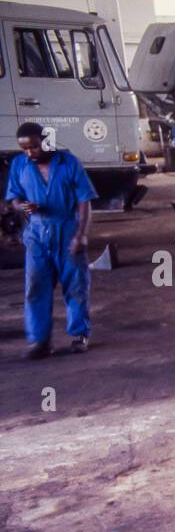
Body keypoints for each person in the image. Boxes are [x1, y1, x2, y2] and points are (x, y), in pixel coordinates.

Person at [6, 122, 97, 359]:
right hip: (36, 234)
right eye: (25, 148)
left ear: (46, 141)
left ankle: (79, 334)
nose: (29, 153)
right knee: (36, 287)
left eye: (34, 147)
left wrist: (81, 234)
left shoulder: (69, 163)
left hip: (66, 229)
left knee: (75, 285)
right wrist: (23, 207)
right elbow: (14, 198)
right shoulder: (19, 165)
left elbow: (84, 200)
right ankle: (39, 341)